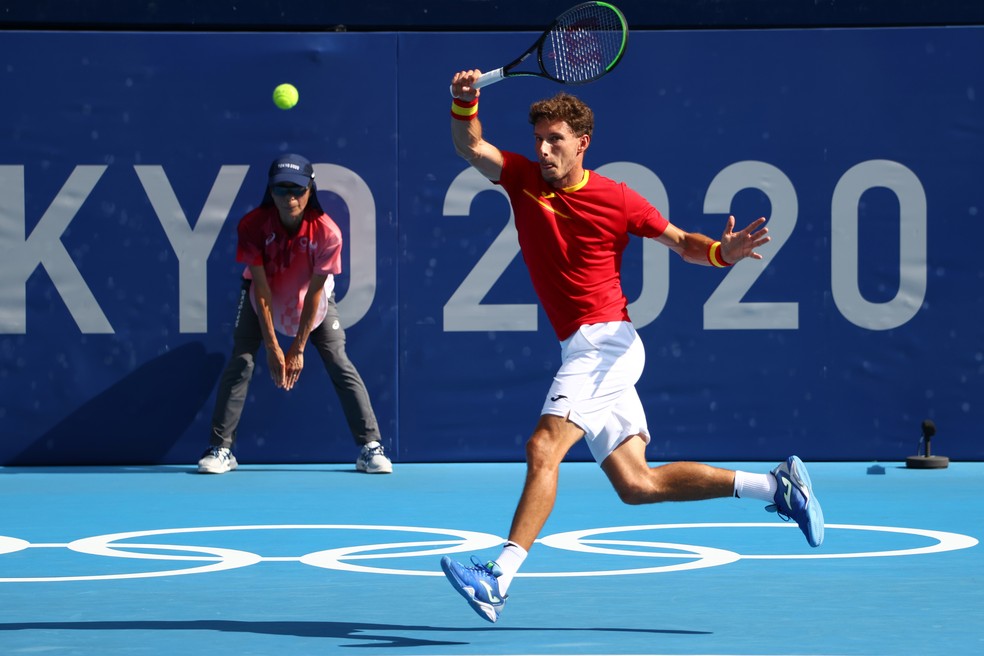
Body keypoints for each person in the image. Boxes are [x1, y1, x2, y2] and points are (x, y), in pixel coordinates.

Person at [439, 71, 823, 623]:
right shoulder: (522, 178)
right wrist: (464, 98)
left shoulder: (616, 198)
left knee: (544, 446)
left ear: (582, 143)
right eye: (539, 140)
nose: (544, 149)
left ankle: (498, 576)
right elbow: (469, 144)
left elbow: (682, 242)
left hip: (605, 343)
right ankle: (776, 487)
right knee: (637, 484)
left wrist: (722, 252)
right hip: (587, 346)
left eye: (556, 140)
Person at [198, 154, 393, 475]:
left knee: (337, 358)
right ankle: (221, 449)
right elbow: (259, 289)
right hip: (262, 297)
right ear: (270, 192)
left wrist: (298, 348)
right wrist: (274, 348)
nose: (289, 198)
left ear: (310, 191)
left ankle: (370, 447)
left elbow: (316, 292)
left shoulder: (327, 233)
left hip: (312, 301)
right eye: (281, 190)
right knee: (242, 360)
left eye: (297, 190)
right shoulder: (252, 226)